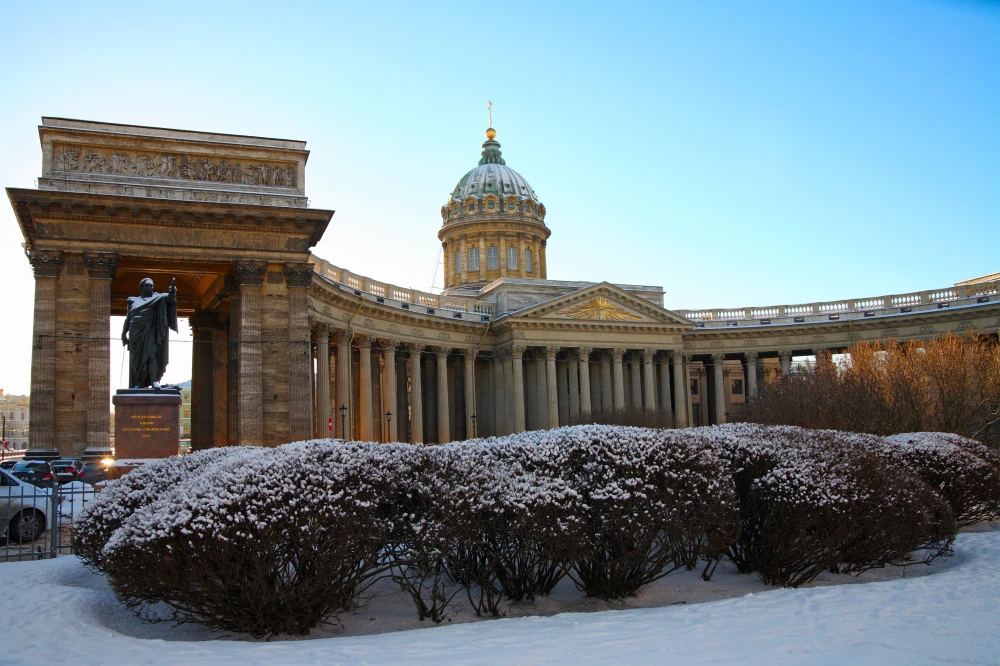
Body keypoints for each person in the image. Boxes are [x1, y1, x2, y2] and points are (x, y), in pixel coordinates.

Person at [122, 277, 178, 389]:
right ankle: (139, 383)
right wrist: (123, 333)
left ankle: (154, 381)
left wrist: (172, 291)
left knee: (151, 356)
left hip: (150, 330)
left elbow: (170, 300)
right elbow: (128, 318)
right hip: (135, 332)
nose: (150, 288)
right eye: (147, 285)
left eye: (151, 286)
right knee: (136, 360)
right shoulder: (132, 300)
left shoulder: (158, 297)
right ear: (141, 287)